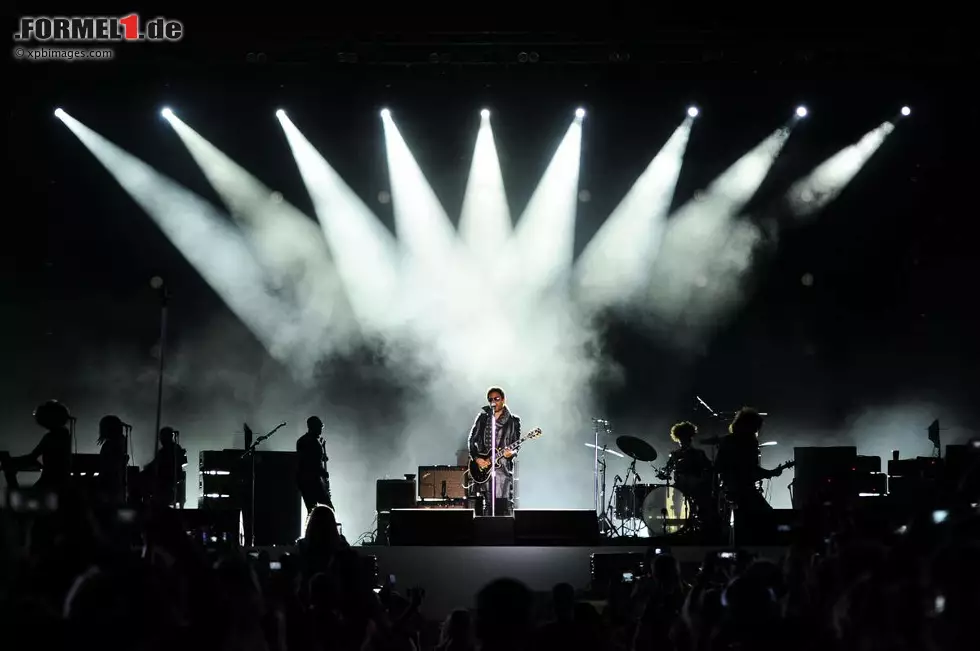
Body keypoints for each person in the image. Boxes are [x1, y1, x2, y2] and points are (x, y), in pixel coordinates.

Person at [714, 408, 786, 540]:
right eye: (755, 427)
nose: (756, 431)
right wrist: (771, 473)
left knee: (743, 522)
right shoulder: (750, 442)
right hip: (744, 489)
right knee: (768, 516)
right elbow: (751, 469)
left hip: (729, 488)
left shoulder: (726, 440)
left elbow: (718, 467)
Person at [467, 387, 521, 517]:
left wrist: (511, 453)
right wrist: (477, 458)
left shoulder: (513, 421)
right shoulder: (482, 418)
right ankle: (486, 531)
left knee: (504, 504)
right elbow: (472, 440)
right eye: (490, 399)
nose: (493, 402)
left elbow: (516, 446)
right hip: (484, 466)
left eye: (497, 399)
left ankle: (505, 532)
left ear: (503, 400)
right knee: (487, 504)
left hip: (503, 467)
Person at [0, 400, 73, 493]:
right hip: (62, 481)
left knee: (22, 494)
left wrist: (9, 461)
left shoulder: (50, 437)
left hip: (50, 481)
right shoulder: (65, 434)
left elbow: (32, 457)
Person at [660, 421, 714, 522]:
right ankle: (679, 524)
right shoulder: (675, 454)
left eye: (684, 439)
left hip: (696, 487)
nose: (682, 442)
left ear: (689, 439)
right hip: (680, 486)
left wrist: (701, 480)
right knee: (675, 502)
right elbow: (667, 469)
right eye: (681, 440)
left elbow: (709, 470)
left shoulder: (699, 454)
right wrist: (663, 473)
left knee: (700, 504)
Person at [143, 426, 187, 507]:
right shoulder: (164, 451)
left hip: (168, 479)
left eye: (162, 437)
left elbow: (179, 463)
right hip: (164, 478)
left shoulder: (174, 449)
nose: (161, 439)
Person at [297, 416, 332, 511]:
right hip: (313, 482)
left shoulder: (302, 440)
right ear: (314, 427)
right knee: (327, 509)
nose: (321, 430)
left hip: (305, 482)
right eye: (319, 427)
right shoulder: (313, 442)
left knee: (312, 511)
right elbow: (312, 463)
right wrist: (323, 473)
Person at [97, 415, 129, 505]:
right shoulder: (120, 441)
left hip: (109, 481)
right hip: (116, 480)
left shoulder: (110, 444)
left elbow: (107, 464)